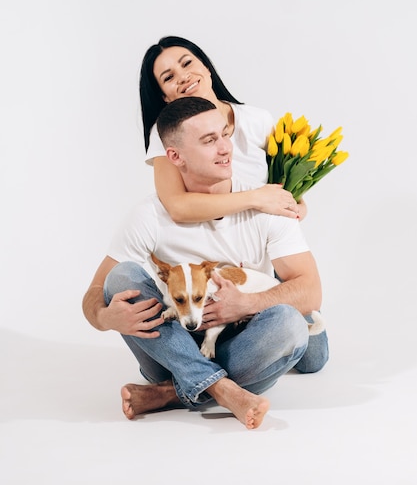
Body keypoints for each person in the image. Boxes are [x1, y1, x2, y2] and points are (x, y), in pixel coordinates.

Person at [82, 97, 328, 430]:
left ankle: (171, 393)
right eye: (209, 141)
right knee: (121, 277)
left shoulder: (265, 202)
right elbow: (96, 290)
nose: (226, 148)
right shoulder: (148, 215)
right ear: (175, 156)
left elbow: (310, 292)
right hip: (170, 346)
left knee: (290, 324)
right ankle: (221, 388)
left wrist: (247, 304)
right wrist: (104, 315)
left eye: (225, 134)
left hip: (241, 341)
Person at [139, 35, 307, 223]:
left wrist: (298, 206)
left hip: (264, 239)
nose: (183, 77)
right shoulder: (165, 134)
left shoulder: (258, 120)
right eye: (169, 77)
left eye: (187, 64)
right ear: (164, 97)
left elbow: (287, 188)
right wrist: (256, 198)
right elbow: (178, 207)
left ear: (206, 67)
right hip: (205, 244)